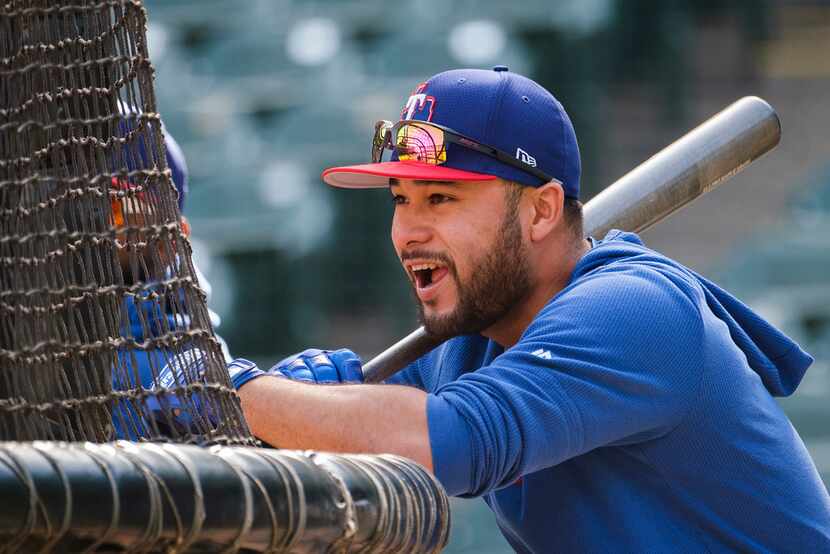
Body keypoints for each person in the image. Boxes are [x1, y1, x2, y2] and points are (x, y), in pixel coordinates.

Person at [231, 67, 830, 551]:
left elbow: (453, 441)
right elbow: (343, 406)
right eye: (400, 200)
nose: (408, 231)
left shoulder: (635, 311)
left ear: (541, 211)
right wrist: (279, 393)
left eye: (440, 198)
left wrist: (238, 394)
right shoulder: (468, 337)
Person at [109, 120, 231, 440]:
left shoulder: (194, 366)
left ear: (173, 239)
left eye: (118, 214)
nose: (92, 235)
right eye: (76, 212)